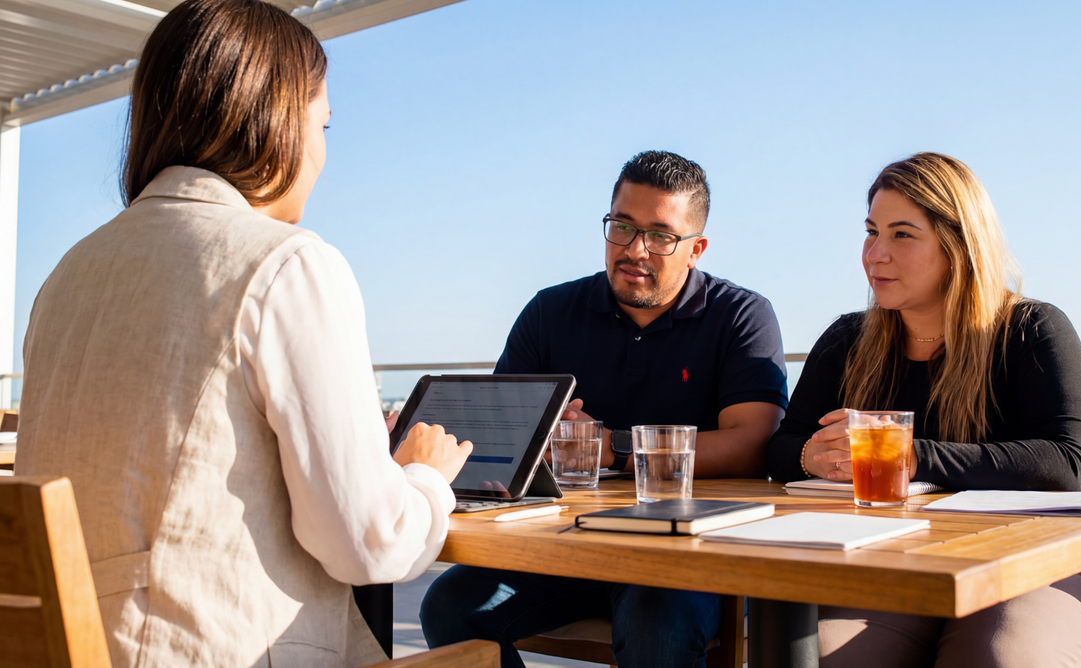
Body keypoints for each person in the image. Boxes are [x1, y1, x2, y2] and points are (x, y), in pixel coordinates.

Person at [14, 1, 472, 666]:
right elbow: (367, 543)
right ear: (276, 121)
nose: (322, 154)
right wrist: (424, 479)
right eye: (322, 124)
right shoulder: (286, 264)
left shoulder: (67, 276)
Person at [420, 150, 790, 668]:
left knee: (655, 622)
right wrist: (535, 440)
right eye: (622, 226)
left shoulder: (741, 315)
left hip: (692, 551)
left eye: (661, 236)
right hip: (565, 546)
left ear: (695, 249)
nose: (635, 249)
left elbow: (753, 443)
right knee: (448, 606)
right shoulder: (549, 311)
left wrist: (611, 447)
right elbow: (501, 435)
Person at [765, 152, 1081, 668]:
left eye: (902, 235)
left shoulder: (1032, 330)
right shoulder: (846, 340)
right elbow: (782, 446)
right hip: (896, 562)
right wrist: (811, 457)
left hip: (1041, 565)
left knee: (996, 657)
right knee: (827, 658)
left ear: (959, 246)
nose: (875, 254)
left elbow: (1064, 464)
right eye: (871, 232)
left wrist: (911, 458)